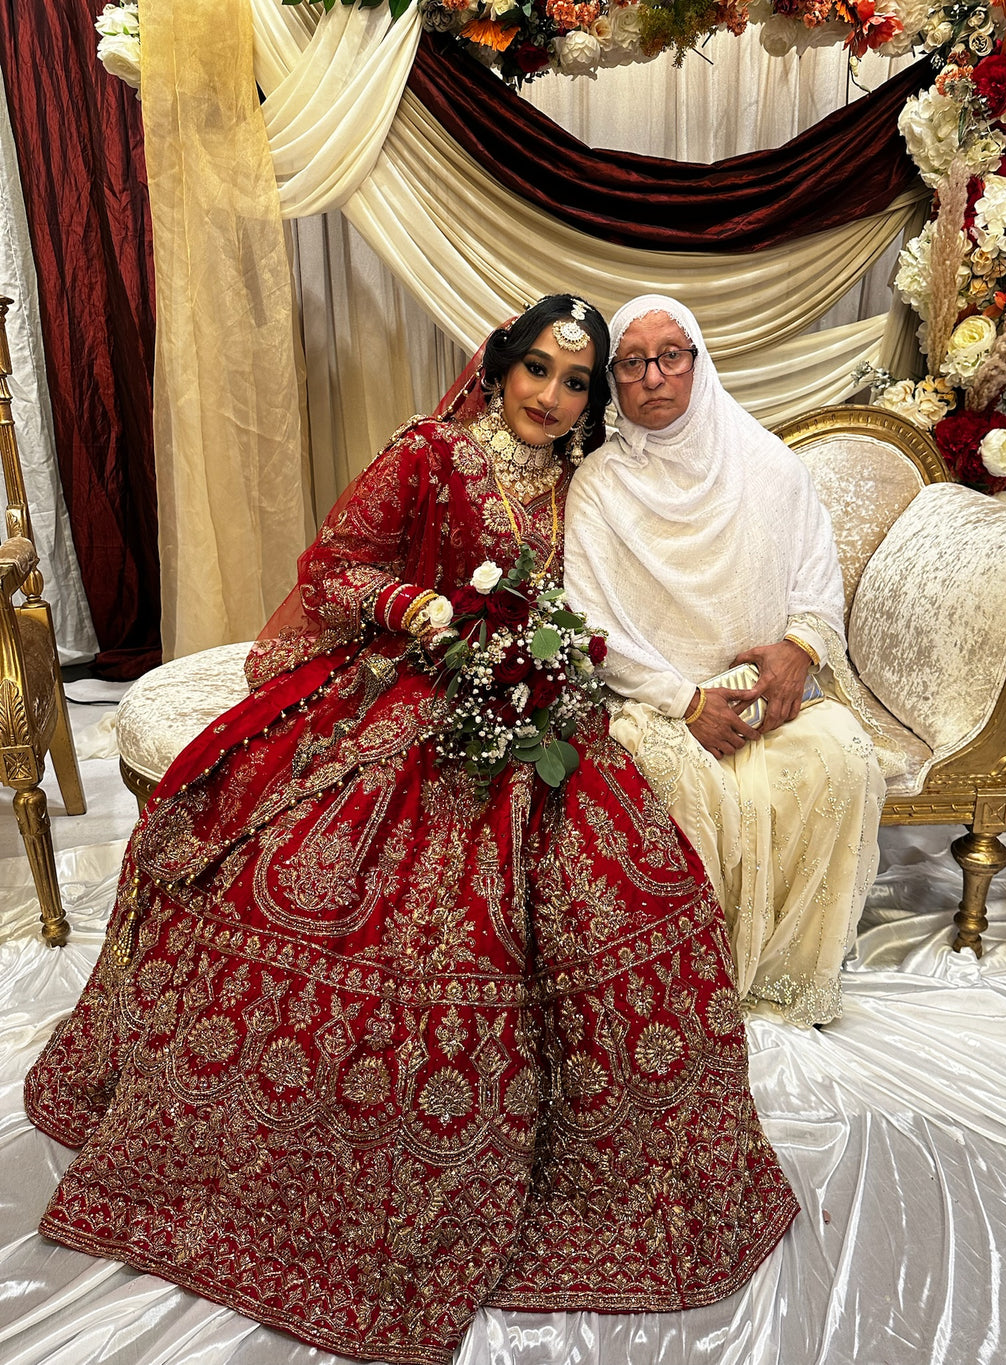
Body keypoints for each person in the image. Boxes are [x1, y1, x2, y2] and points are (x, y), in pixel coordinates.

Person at [25, 296, 797, 1365]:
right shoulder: (429, 453)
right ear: (502, 364)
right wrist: (410, 608)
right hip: (398, 689)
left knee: (632, 886)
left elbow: (596, 608)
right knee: (310, 867)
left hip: (530, 705)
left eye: (576, 382)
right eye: (538, 369)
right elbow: (331, 566)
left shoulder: (586, 483)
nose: (551, 396)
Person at [564, 294, 886, 1030]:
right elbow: (591, 627)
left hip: (768, 697)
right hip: (659, 705)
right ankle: (694, 983)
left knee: (842, 754)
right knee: (669, 779)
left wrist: (800, 651)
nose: (653, 376)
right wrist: (686, 702)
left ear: (699, 362)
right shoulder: (598, 487)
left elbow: (816, 576)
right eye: (633, 362)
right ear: (614, 380)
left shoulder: (768, 464)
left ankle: (783, 975)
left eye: (670, 356)